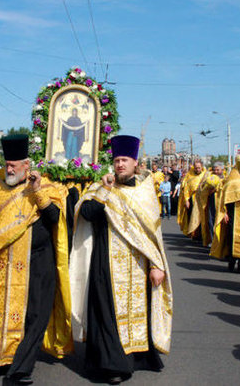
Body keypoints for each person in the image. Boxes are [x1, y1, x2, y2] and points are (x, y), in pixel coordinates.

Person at [71, 135, 172, 385]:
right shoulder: (100, 187)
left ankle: (136, 357)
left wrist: (157, 264)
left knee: (138, 311)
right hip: (105, 262)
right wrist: (104, 190)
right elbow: (87, 213)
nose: (119, 165)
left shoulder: (145, 192)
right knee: (106, 313)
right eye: (116, 160)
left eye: (124, 160)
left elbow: (154, 234)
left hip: (138, 265)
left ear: (135, 163)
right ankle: (113, 365)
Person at [0, 134, 71, 385]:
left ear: (27, 166)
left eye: (14, 166)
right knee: (4, 313)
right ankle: (1, 358)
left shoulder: (45, 186)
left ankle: (21, 367)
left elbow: (54, 220)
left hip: (39, 261)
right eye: (7, 165)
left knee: (36, 314)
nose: (9, 169)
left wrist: (37, 192)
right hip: (5, 262)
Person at [211, 151, 240, 273]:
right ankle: (231, 260)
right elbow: (224, 196)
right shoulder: (233, 177)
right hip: (234, 213)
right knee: (232, 238)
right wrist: (224, 212)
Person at [196, 161, 226, 248]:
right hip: (211, 202)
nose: (216, 172)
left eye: (218, 170)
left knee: (220, 223)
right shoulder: (209, 178)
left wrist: (217, 188)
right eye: (215, 170)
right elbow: (201, 189)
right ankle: (213, 241)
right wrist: (208, 189)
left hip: (221, 204)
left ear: (222, 170)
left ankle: (221, 243)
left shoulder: (226, 179)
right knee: (211, 221)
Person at [177, 160, 206, 238]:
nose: (197, 169)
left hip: (203, 199)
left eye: (199, 168)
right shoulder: (190, 175)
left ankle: (202, 234)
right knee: (192, 216)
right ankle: (193, 233)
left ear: (202, 167)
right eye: (196, 168)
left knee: (201, 217)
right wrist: (186, 200)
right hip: (192, 198)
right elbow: (186, 188)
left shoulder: (205, 175)